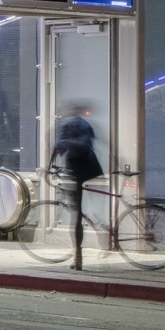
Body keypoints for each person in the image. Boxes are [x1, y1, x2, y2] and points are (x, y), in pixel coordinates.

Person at [51, 102, 104, 270]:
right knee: (92, 205)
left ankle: (78, 258)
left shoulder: (66, 124)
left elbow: (59, 146)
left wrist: (49, 165)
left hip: (76, 168)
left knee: (76, 215)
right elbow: (93, 143)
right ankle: (102, 226)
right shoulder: (85, 124)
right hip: (92, 167)